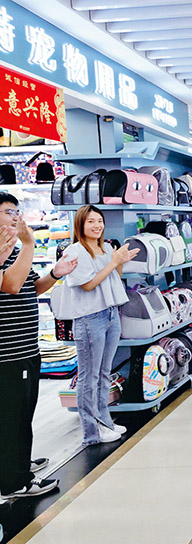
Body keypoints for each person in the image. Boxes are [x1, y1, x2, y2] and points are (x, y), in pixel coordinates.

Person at [0, 192, 77, 499]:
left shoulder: (13, 251)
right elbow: (11, 285)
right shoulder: (13, 249)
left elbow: (32, 287)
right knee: (13, 417)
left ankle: (17, 464)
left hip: (27, 349)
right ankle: (15, 481)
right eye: (9, 212)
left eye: (17, 211)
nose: (16, 217)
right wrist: (29, 244)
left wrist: (56, 273)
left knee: (22, 413)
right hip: (9, 353)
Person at [59, 206, 138, 446]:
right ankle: (92, 432)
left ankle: (105, 421)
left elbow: (114, 277)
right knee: (89, 377)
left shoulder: (106, 248)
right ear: (80, 224)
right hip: (89, 318)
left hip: (111, 314)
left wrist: (120, 262)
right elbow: (88, 285)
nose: (97, 225)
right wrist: (113, 262)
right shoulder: (74, 251)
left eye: (100, 221)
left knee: (104, 373)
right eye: (91, 221)